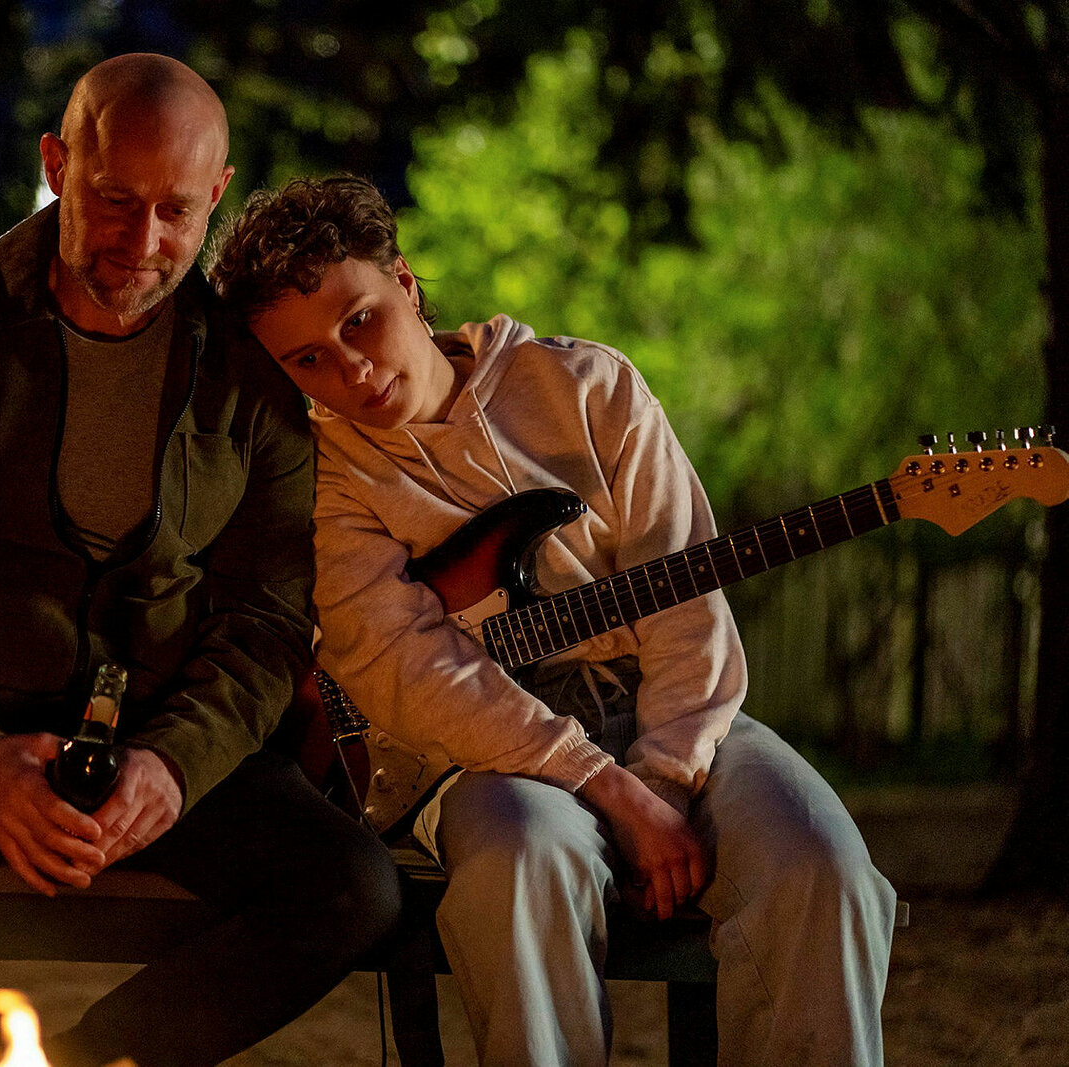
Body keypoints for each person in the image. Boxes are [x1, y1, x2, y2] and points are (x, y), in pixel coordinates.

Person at [208, 175, 899, 1066]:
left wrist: (666, 779)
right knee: (519, 867)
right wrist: (607, 786)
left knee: (821, 866)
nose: (352, 370)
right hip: (482, 751)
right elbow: (405, 668)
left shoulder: (589, 387)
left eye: (361, 321)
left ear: (405, 283)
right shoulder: (325, 476)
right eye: (306, 360)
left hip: (673, 712)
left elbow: (686, 605)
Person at [0, 61, 401, 1067]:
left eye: (176, 211)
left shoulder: (250, 375)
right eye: (115, 200)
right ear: (57, 164)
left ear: (217, 194)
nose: (142, 240)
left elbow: (266, 616)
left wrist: (176, 764)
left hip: (157, 736)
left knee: (352, 888)